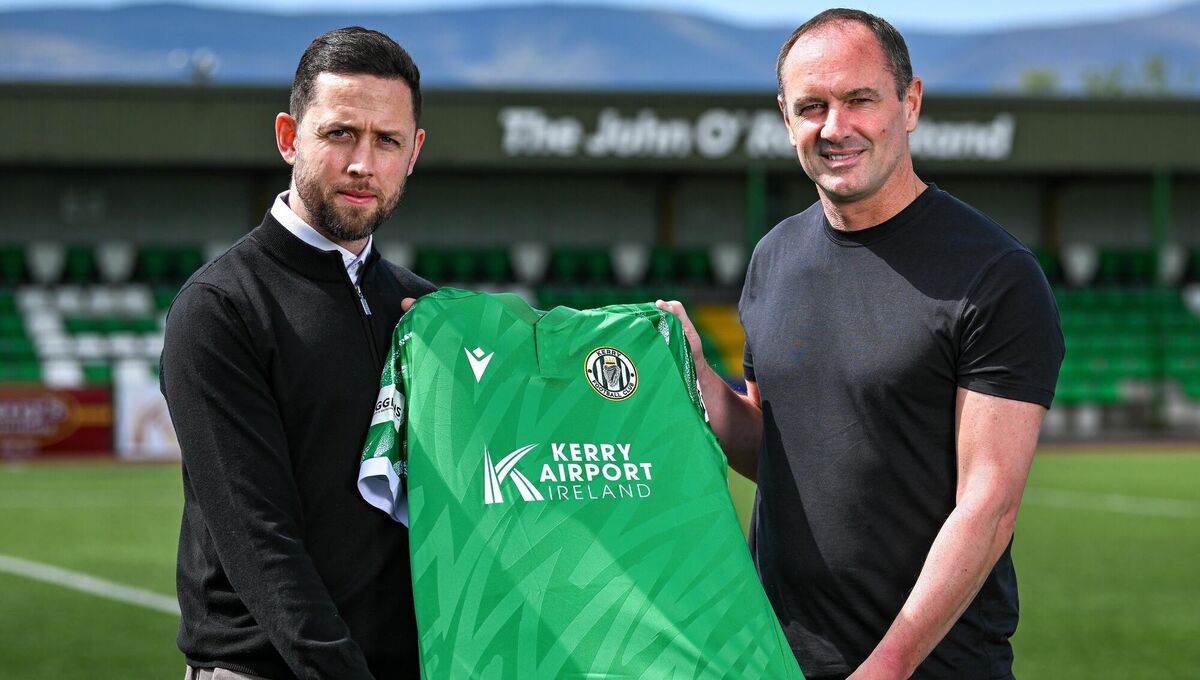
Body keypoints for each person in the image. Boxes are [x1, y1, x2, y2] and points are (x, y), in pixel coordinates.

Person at [658, 8, 1063, 680]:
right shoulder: (774, 256)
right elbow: (773, 452)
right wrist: (696, 372)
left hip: (932, 667)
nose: (835, 127)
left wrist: (888, 667)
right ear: (787, 119)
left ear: (910, 104)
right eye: (811, 106)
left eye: (859, 100)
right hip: (778, 659)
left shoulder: (994, 275)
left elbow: (989, 505)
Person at [160, 27, 434, 679]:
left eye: (387, 140)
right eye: (341, 133)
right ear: (289, 136)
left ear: (414, 152)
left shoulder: (429, 313)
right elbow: (261, 544)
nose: (363, 163)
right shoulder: (220, 309)